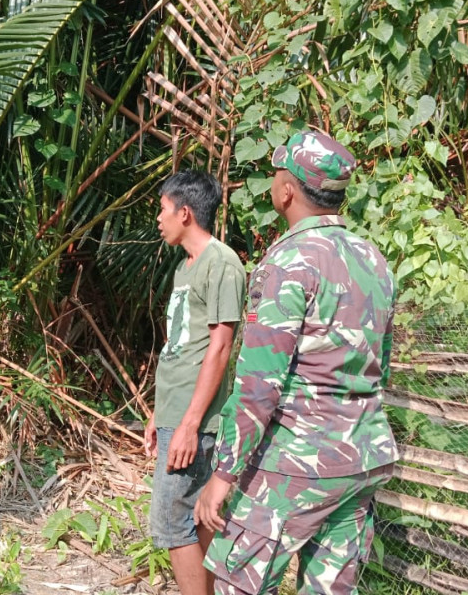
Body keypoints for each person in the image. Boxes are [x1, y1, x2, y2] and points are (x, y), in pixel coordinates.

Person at [194, 130, 399, 595]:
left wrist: (223, 476)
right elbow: (379, 367)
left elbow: (258, 386)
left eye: (276, 176)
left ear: (287, 191)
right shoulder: (374, 260)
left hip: (296, 462)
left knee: (238, 583)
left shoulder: (289, 261)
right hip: (361, 457)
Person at [146, 170, 246, 595]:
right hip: (177, 410)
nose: (159, 219)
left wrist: (189, 423)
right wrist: (159, 413)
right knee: (192, 515)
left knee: (171, 522)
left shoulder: (221, 263)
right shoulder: (184, 268)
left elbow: (221, 348)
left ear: (185, 213)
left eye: (163, 210)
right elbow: (181, 346)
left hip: (196, 417)